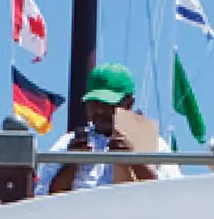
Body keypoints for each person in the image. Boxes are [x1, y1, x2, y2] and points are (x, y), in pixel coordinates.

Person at [46, 62, 159, 192]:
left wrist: (134, 160)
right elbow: (45, 197)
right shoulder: (65, 144)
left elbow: (167, 195)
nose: (99, 110)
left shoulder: (154, 144)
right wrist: (72, 162)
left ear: (129, 103)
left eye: (107, 103)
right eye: (94, 103)